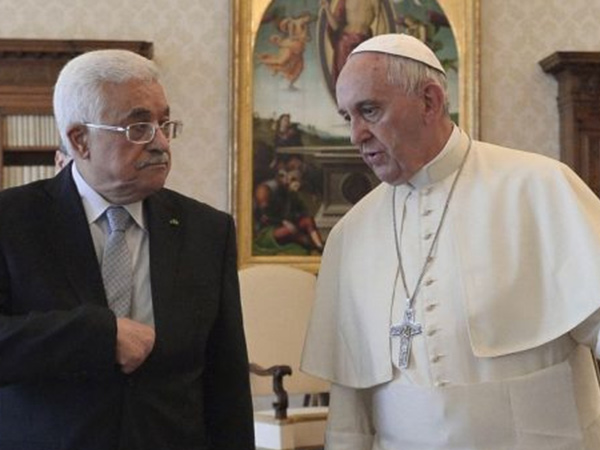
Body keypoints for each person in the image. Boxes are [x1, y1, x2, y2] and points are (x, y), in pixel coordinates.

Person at [301, 33, 600, 449]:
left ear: (430, 101)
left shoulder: (539, 187)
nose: (356, 134)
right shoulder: (351, 234)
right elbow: (350, 410)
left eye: (369, 110)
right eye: (347, 117)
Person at [0, 49, 254, 449]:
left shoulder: (208, 230)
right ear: (80, 140)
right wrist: (96, 335)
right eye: (138, 127)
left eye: (164, 124)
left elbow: (227, 382)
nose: (161, 142)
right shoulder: (12, 221)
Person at [320, 0, 382, 84]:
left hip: (363, 43)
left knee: (362, 80)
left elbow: (380, 24)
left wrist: (376, 46)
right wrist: (327, 9)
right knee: (343, 79)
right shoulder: (344, 1)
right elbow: (336, 28)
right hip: (344, 43)